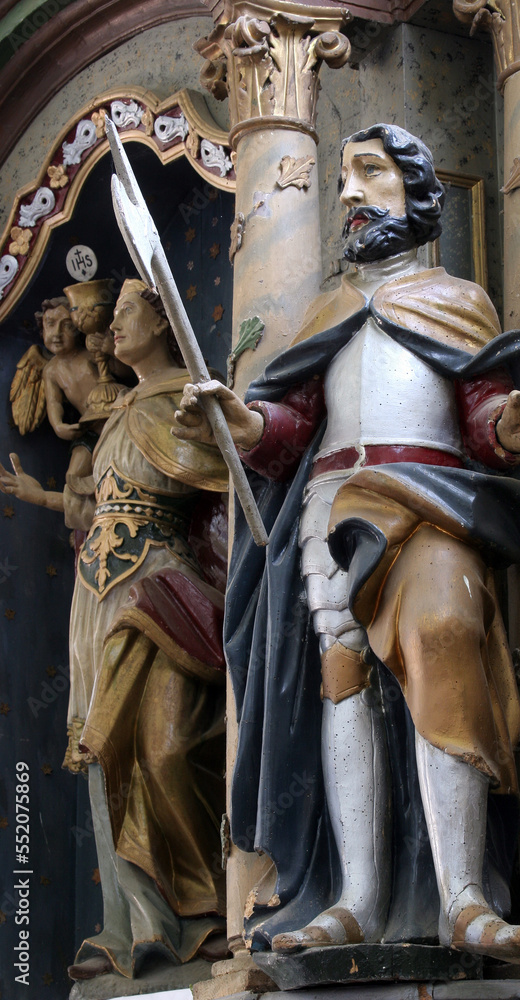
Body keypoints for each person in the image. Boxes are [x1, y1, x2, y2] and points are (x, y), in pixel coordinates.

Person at [175, 124, 520, 963]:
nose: (350, 193)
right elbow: (291, 429)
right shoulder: (326, 311)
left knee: (444, 633)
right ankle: (355, 898)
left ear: (417, 190)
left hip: (429, 499)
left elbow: (480, 415)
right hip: (329, 503)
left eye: (370, 173)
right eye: (343, 179)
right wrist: (246, 424)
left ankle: (462, 898)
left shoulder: (457, 300)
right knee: (340, 680)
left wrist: (509, 430)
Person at [0, 280, 230, 979]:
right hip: (95, 593)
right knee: (101, 754)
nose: (109, 328)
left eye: (125, 313)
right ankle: (131, 926)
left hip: (158, 587)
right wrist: (40, 495)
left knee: (165, 748)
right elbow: (89, 508)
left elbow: (229, 487)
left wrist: (210, 431)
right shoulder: (117, 411)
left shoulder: (187, 398)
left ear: (162, 322)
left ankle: (205, 909)